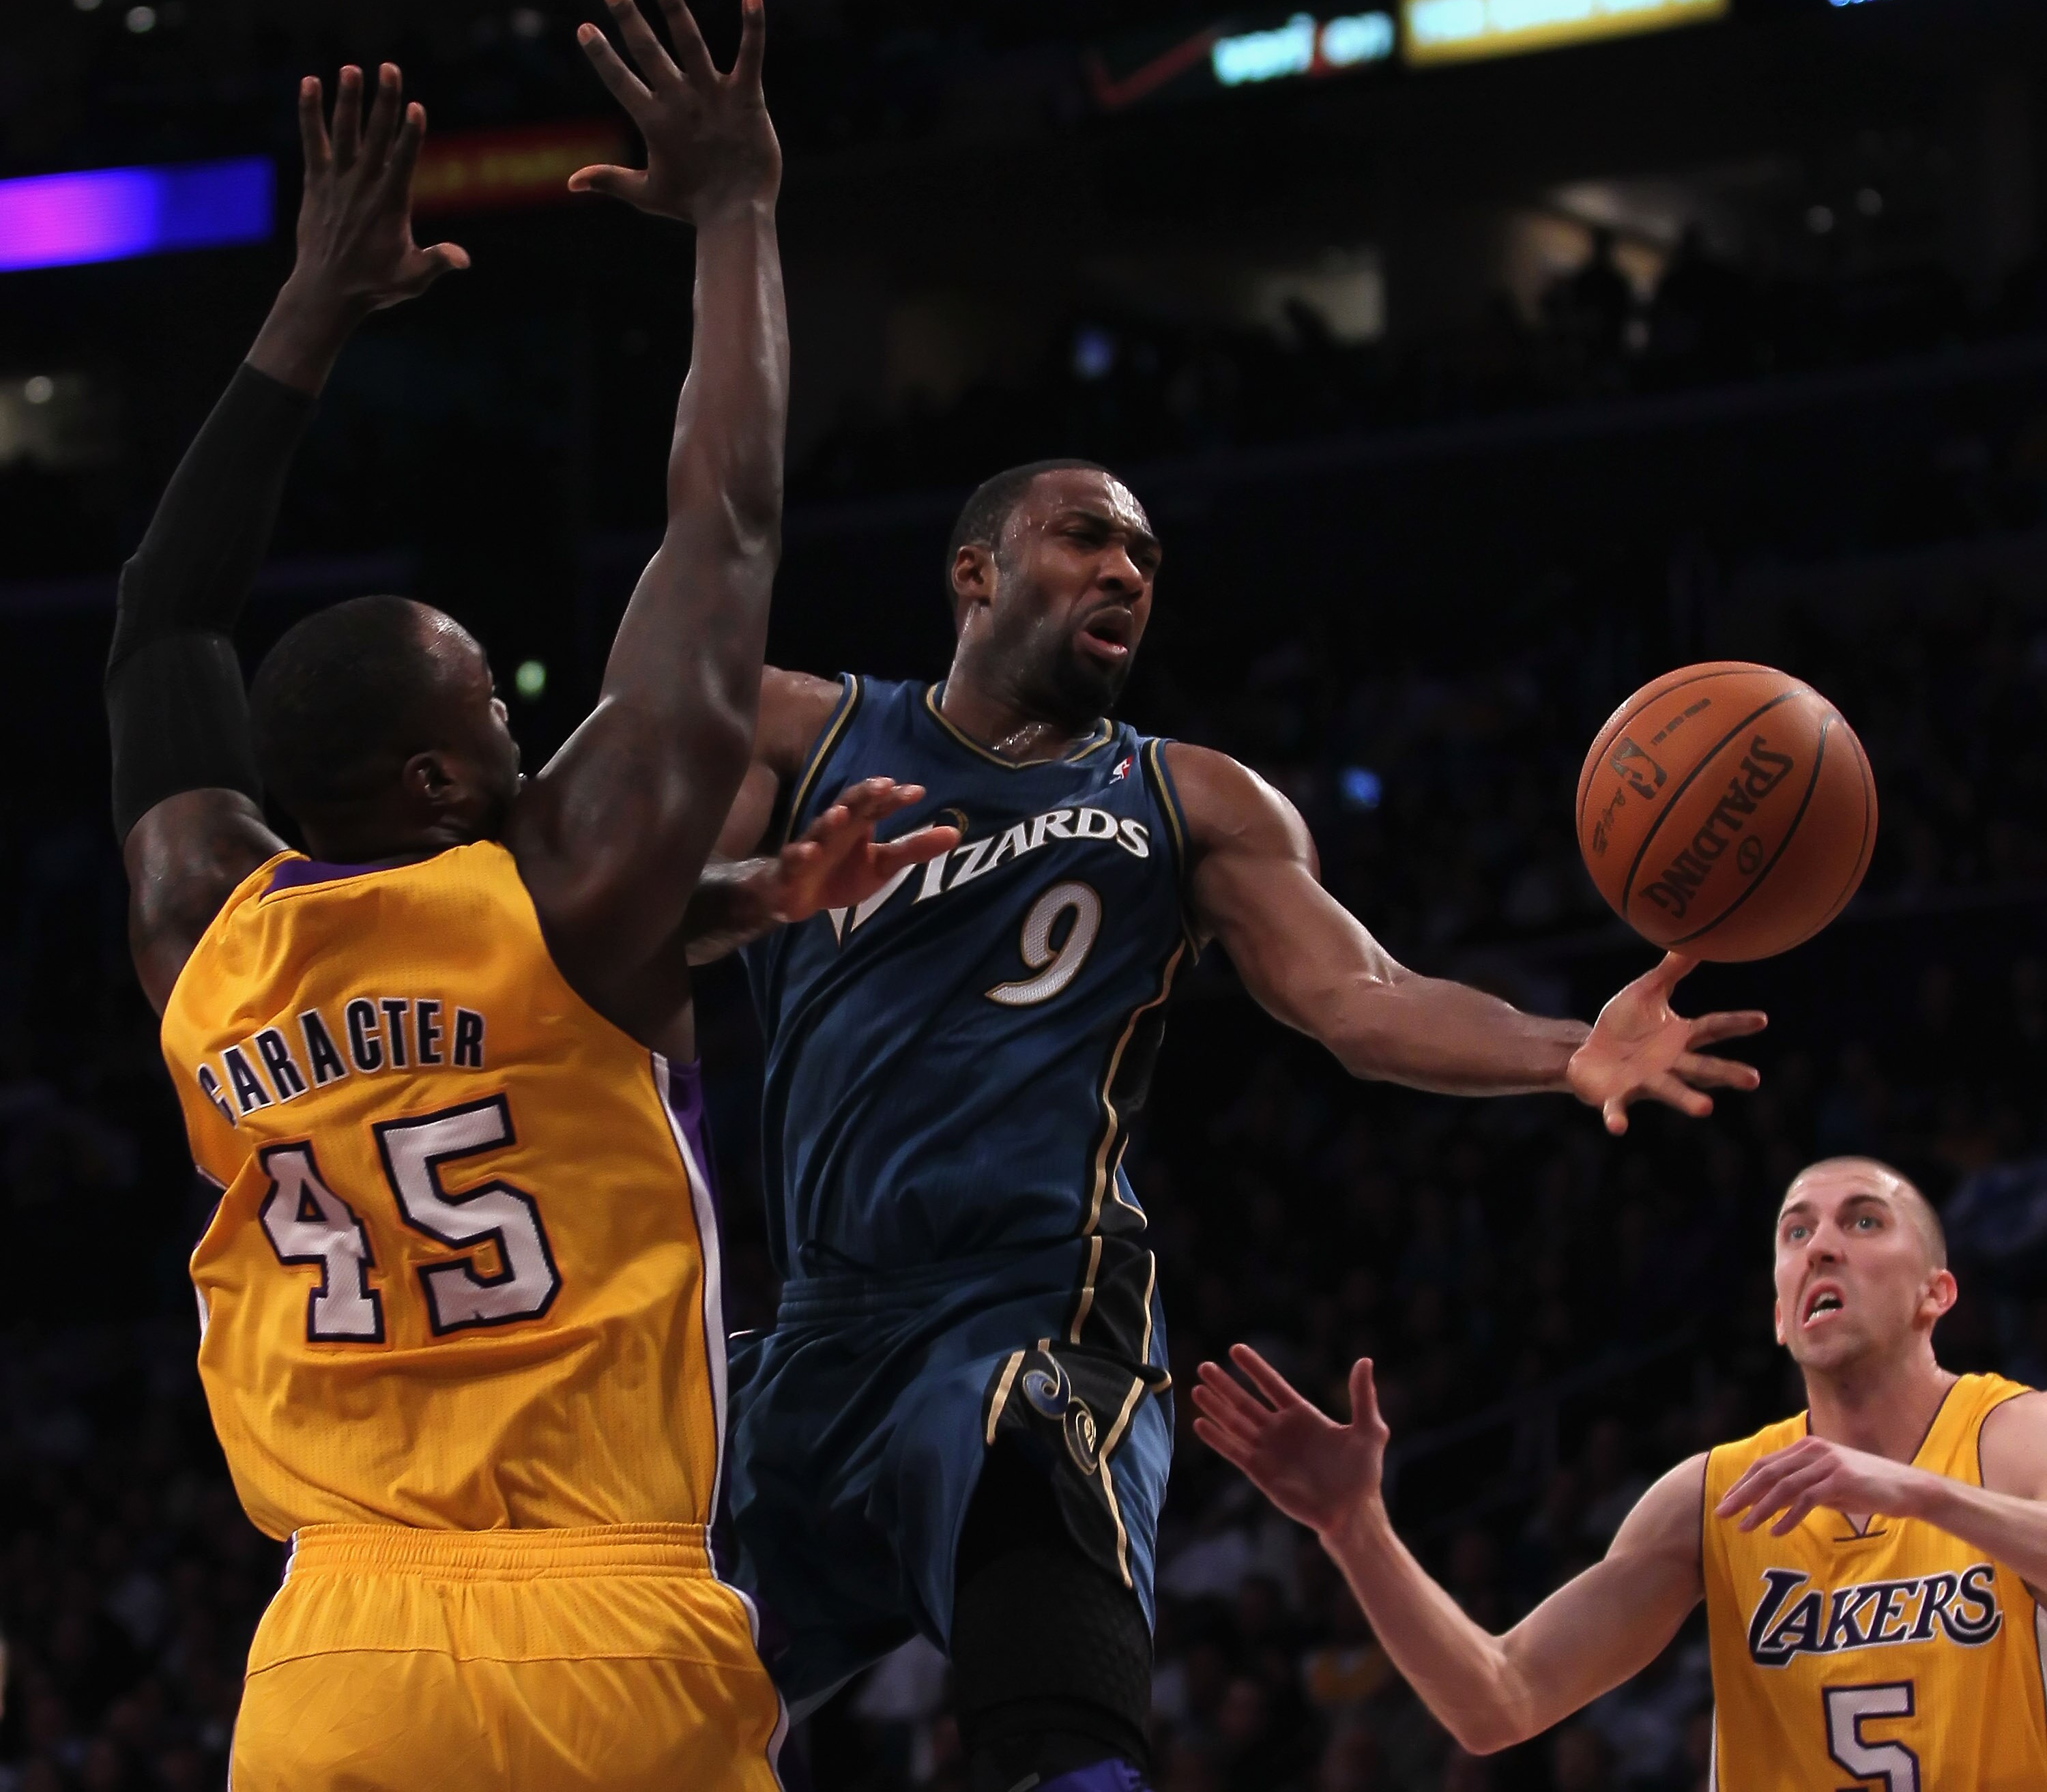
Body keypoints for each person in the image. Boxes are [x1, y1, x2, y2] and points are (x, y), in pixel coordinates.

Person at [105, 0, 948, 1791]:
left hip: (337, 1639)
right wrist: (736, 207)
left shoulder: (203, 934)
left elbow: (162, 614)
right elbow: (721, 526)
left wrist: (307, 313)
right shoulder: (568, 891)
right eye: (495, 702)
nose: (523, 717)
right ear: (434, 776)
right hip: (605, 1626)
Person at [697, 457, 1767, 1791]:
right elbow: (642, 915)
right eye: (1086, 537)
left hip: (1033, 1308)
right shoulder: (804, 734)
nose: (1126, 573)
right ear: (974, 573)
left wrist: (1570, 1053)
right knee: (640, 1720)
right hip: (815, 1334)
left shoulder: (1189, 798)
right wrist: (761, 890)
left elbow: (1360, 999)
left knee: (1051, 1703)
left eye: (1144, 556)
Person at [1193, 1155, 2047, 1789]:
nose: (1822, 1245)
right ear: (1780, 1316)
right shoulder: (1710, 1498)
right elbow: (1502, 1700)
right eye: (1796, 1230)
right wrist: (1355, 1529)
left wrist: (1914, 1489)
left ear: (1937, 1293)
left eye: (1863, 1221)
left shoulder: (2013, 1436)